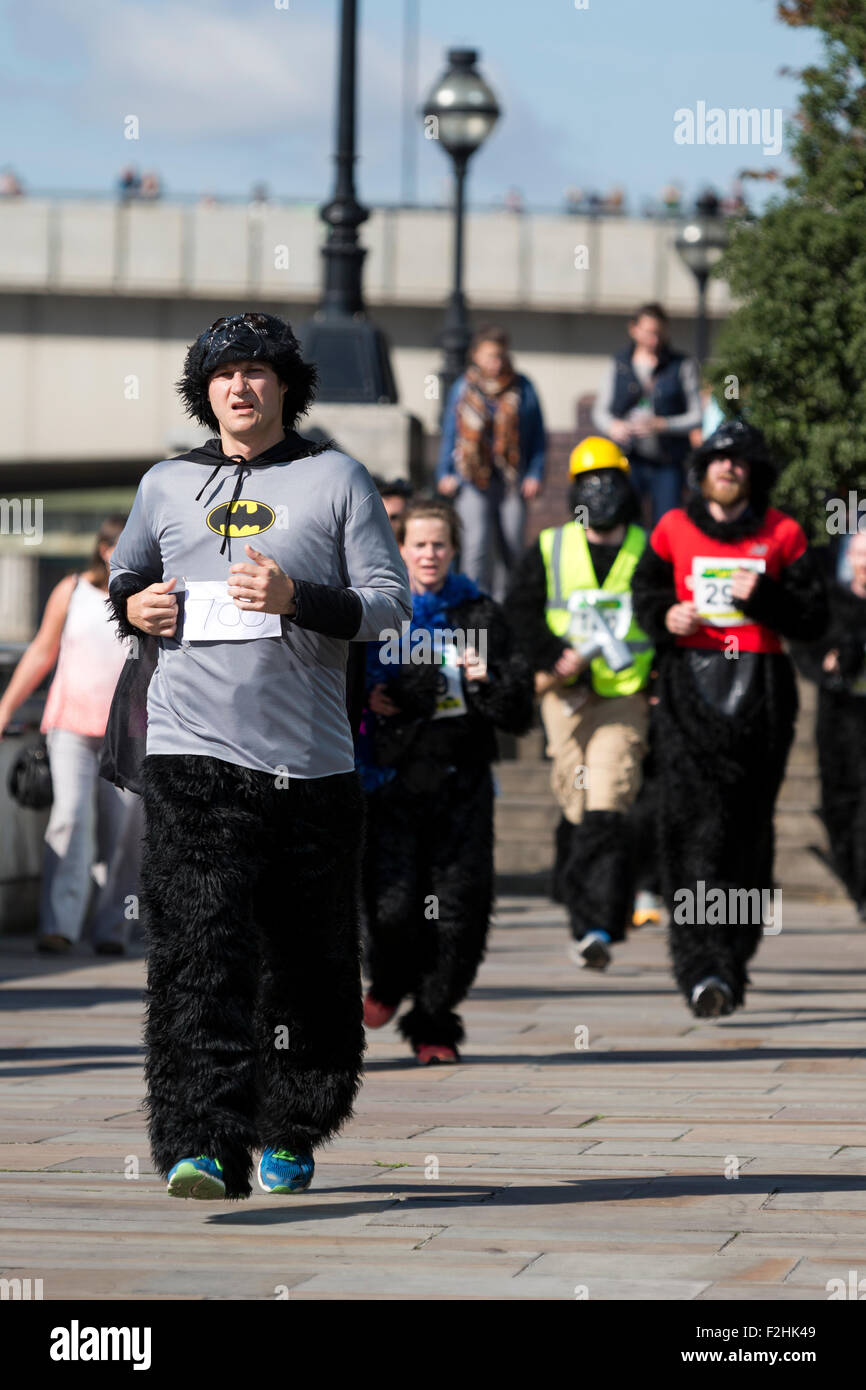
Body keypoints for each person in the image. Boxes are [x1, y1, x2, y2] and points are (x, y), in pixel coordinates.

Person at [103, 311, 411, 1201]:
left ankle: (294, 1125)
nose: (240, 386)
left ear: (286, 386)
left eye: (257, 372)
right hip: (189, 755)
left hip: (311, 764)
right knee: (199, 950)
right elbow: (125, 578)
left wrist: (298, 596)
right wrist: (137, 608)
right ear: (204, 392)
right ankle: (200, 1141)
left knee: (309, 957)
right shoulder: (165, 484)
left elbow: (388, 605)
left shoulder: (336, 478)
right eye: (223, 373)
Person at [631, 418, 828, 1017]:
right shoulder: (670, 529)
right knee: (693, 830)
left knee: (747, 832)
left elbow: (814, 620)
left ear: (754, 473)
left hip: (760, 699)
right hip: (689, 694)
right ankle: (701, 964)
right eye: (718, 459)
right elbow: (645, 599)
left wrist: (764, 595)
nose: (728, 467)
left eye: (740, 460)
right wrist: (666, 617)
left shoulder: (785, 533)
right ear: (701, 471)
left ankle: (734, 953)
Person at [357, 498, 532, 1063]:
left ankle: (433, 1020)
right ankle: (386, 982)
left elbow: (518, 708)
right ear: (400, 550)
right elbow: (338, 682)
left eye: (439, 544)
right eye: (418, 544)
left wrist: (488, 682)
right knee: (391, 906)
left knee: (458, 911)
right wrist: (370, 698)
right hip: (390, 780)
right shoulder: (379, 610)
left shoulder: (481, 614)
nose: (429, 554)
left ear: (454, 549)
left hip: (462, 782)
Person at [507, 437, 654, 969]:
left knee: (608, 795)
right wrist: (555, 655)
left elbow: (662, 616)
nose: (602, 492)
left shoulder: (648, 548)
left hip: (624, 696)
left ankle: (600, 921)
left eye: (611, 481)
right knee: (575, 797)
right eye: (591, 483)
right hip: (564, 697)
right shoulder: (550, 547)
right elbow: (521, 613)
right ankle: (583, 911)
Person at [0, 517, 142, 956]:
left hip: (132, 731)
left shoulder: (149, 594)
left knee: (125, 834)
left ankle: (113, 930)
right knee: (70, 820)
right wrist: (5, 708)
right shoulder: (72, 590)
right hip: (71, 728)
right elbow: (42, 650)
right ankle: (58, 926)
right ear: (104, 550)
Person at [437, 325, 546, 602]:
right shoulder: (463, 387)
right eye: (488, 356)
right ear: (475, 355)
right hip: (471, 478)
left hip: (512, 479)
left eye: (499, 356)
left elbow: (537, 436)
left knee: (511, 547)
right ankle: (472, 606)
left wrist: (535, 473)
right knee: (476, 545)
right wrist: (445, 473)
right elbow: (451, 433)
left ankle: (506, 608)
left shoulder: (523, 387)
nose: (494, 363)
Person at [794, 531, 866, 920]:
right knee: (839, 802)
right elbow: (805, 647)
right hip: (837, 718)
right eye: (859, 554)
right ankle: (856, 884)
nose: (865, 563)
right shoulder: (833, 603)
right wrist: (827, 663)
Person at [593, 303, 702, 528]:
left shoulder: (682, 365)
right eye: (649, 332)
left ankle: (662, 564)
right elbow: (600, 411)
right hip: (629, 459)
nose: (654, 339)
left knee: (667, 523)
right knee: (627, 521)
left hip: (668, 461)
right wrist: (614, 426)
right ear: (634, 329)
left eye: (659, 333)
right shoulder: (619, 363)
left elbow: (697, 416)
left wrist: (663, 424)